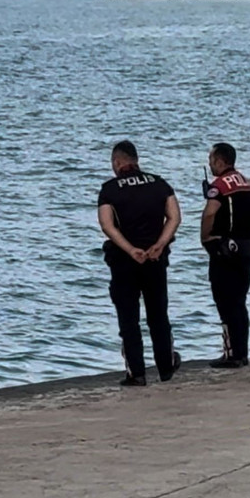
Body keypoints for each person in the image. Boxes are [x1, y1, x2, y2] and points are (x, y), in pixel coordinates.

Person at [97, 140, 182, 386]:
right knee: (158, 315)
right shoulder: (159, 183)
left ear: (117, 162)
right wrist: (160, 244)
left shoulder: (109, 189)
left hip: (124, 261)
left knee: (129, 318)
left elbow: (107, 225)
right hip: (155, 259)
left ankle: (137, 373)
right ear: (136, 160)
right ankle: (165, 368)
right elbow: (175, 217)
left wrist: (130, 249)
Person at [201, 142, 250, 368]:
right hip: (246, 247)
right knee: (240, 301)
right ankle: (242, 353)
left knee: (225, 301)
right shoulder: (249, 183)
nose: (210, 165)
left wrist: (205, 237)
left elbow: (210, 213)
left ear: (220, 161)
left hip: (225, 249)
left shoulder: (219, 186)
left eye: (211, 160)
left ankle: (231, 354)